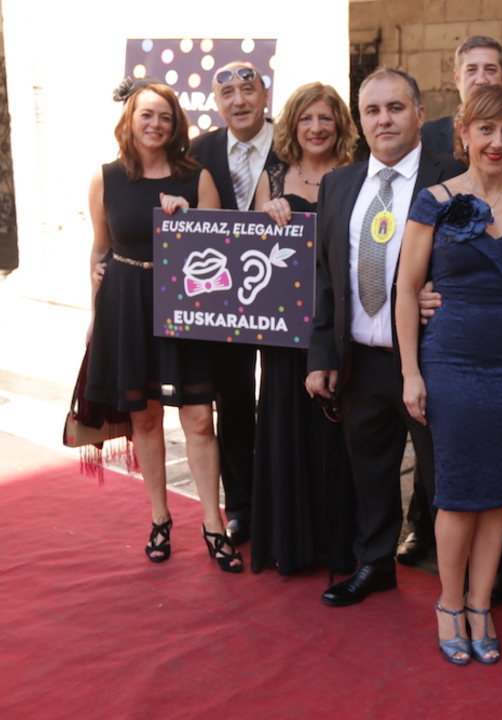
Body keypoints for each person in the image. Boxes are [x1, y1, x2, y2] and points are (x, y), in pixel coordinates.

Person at [396, 84, 502, 665]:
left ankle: (481, 605)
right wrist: (411, 372)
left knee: (499, 494)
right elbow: (407, 290)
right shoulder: (434, 199)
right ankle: (449, 603)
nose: (497, 141)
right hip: (450, 362)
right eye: (486, 129)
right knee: (459, 494)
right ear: (463, 132)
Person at [306, 67, 462, 607]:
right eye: (372, 110)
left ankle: (461, 581)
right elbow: (326, 277)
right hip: (361, 361)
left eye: (395, 108)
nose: (384, 120)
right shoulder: (339, 184)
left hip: (430, 360)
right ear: (361, 120)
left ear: (420, 114)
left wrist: (444, 293)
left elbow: (474, 263)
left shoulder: (452, 179)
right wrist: (321, 354)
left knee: (444, 476)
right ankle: (375, 563)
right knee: (370, 471)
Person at [85, 79, 240, 573]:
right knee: (145, 419)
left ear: (176, 126)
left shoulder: (197, 178)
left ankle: (213, 524)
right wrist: (95, 314)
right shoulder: (105, 178)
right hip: (127, 307)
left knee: (199, 419)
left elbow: (222, 250)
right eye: (146, 114)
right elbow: (100, 248)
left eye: (165, 117)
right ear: (130, 120)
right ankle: (159, 518)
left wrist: (188, 218)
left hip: (185, 307)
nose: (155, 124)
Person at [248, 82, 360, 575]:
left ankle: (339, 543)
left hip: (340, 325)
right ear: (292, 126)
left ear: (340, 123)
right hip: (284, 331)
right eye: (306, 119)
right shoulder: (273, 177)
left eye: (325, 118)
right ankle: (291, 542)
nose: (316, 128)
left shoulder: (358, 173)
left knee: (336, 434)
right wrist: (267, 215)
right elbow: (250, 249)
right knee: (287, 427)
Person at [189, 61, 276, 548]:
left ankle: (285, 501)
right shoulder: (197, 151)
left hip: (280, 292)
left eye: (248, 89)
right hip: (222, 297)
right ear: (217, 103)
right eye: (228, 93)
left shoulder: (292, 142)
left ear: (265, 95)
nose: (239, 99)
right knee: (234, 401)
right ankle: (241, 506)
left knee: (284, 400)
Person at [420, 35, 502, 165]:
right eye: (471, 70)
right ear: (457, 78)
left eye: (490, 70)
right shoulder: (426, 136)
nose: (481, 80)